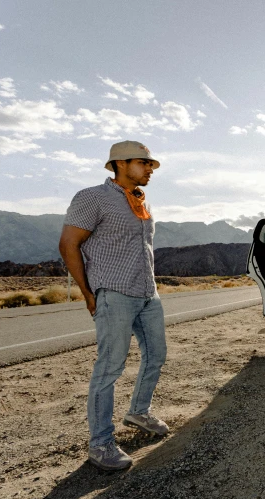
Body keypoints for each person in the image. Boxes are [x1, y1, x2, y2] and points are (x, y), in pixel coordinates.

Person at [59, 140, 169, 471]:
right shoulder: (92, 197)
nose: (150, 169)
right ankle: (101, 443)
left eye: (151, 165)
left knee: (157, 354)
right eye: (144, 163)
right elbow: (68, 244)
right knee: (110, 366)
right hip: (114, 292)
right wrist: (89, 293)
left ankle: (138, 411)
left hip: (147, 293)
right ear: (120, 164)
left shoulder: (139, 200)